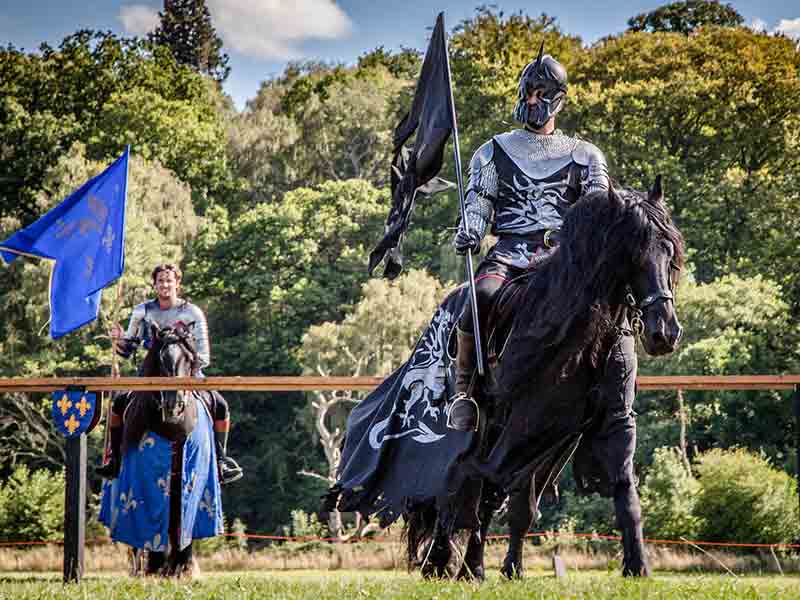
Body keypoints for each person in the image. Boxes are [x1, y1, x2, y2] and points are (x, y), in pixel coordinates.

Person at [447, 44, 613, 432]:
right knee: (481, 294)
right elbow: (479, 201)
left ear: (558, 100)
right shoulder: (492, 152)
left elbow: (599, 214)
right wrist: (471, 228)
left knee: (605, 309)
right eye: (527, 93)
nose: (531, 101)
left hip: (563, 259)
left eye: (540, 94)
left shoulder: (587, 156)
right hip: (509, 252)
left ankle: (611, 390)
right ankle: (464, 390)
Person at [96, 263, 243, 485]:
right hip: (151, 375)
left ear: (177, 283)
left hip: (187, 372)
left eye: (169, 280)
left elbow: (203, 354)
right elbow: (128, 350)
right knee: (118, 404)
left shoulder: (192, 312)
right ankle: (115, 459)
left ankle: (221, 461)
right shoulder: (142, 311)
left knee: (220, 405)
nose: (165, 284)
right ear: (154, 285)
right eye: (160, 281)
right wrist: (119, 339)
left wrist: (185, 371)